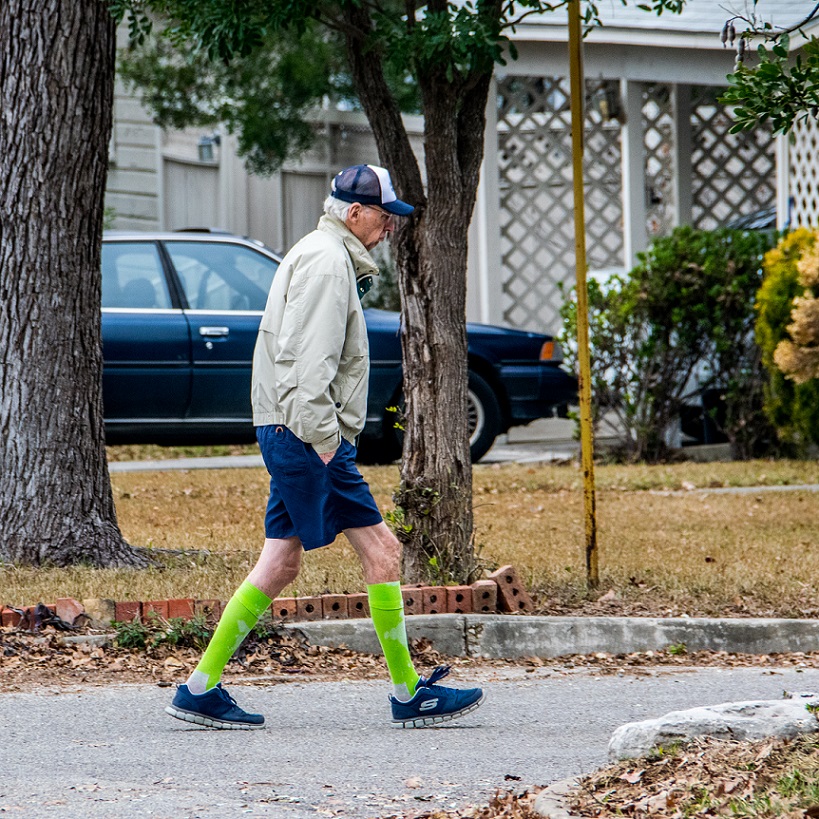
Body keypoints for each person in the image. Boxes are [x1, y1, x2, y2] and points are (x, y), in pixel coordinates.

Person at [165, 164, 485, 730]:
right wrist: (322, 439)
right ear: (355, 213)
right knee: (383, 552)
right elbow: (308, 361)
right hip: (307, 432)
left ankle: (199, 686)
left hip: (293, 428)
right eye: (384, 217)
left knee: (281, 560)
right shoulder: (327, 262)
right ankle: (408, 692)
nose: (389, 228)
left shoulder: (325, 255)